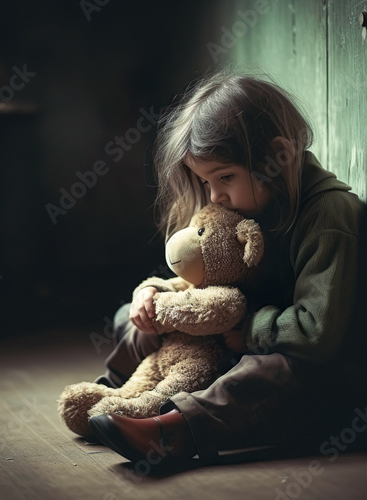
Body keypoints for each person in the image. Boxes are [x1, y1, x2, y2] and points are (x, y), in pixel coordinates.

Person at [89, 69, 367, 465]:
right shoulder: (253, 204)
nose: (215, 194)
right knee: (134, 317)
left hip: (324, 375)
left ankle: (175, 432)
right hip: (244, 338)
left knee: (273, 372)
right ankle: (116, 396)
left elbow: (317, 333)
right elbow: (214, 283)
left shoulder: (329, 215)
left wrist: (246, 328)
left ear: (277, 155)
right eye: (206, 182)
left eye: (225, 177)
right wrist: (156, 294)